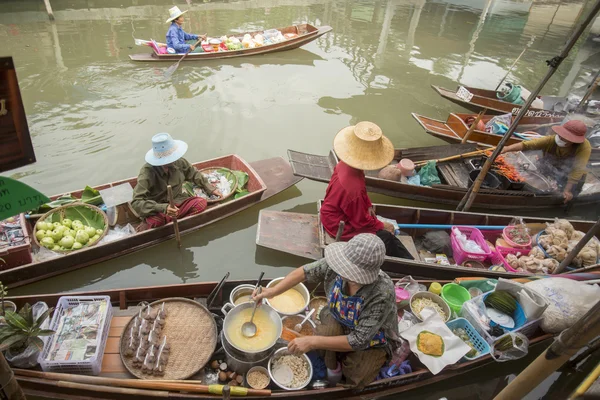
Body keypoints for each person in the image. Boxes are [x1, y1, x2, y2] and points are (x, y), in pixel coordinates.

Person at [254, 234, 400, 388]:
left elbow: (358, 340)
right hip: (338, 316)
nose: (342, 269)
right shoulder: (337, 265)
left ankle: (340, 383)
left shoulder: (381, 293)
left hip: (373, 339)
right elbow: (304, 272)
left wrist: (311, 342)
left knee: (357, 373)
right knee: (324, 334)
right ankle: (332, 365)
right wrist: (272, 291)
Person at [320, 121, 414, 259]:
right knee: (387, 238)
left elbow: (361, 195)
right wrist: (382, 225)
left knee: (384, 230)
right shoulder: (354, 189)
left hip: (332, 211)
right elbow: (360, 222)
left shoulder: (345, 164)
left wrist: (368, 205)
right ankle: (409, 263)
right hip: (338, 225)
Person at [131, 133, 221, 229]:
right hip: (159, 209)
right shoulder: (147, 173)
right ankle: (167, 221)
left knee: (201, 203)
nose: (174, 159)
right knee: (155, 222)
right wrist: (164, 208)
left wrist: (209, 188)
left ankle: (177, 222)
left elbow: (193, 173)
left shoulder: (179, 162)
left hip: (178, 202)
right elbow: (136, 202)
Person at [501, 120, 590, 203]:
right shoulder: (552, 140)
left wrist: (567, 190)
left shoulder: (583, 147)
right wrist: (506, 149)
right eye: (560, 136)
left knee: (562, 198)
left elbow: (577, 169)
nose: (561, 138)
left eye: (565, 138)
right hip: (552, 168)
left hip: (570, 177)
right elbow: (527, 145)